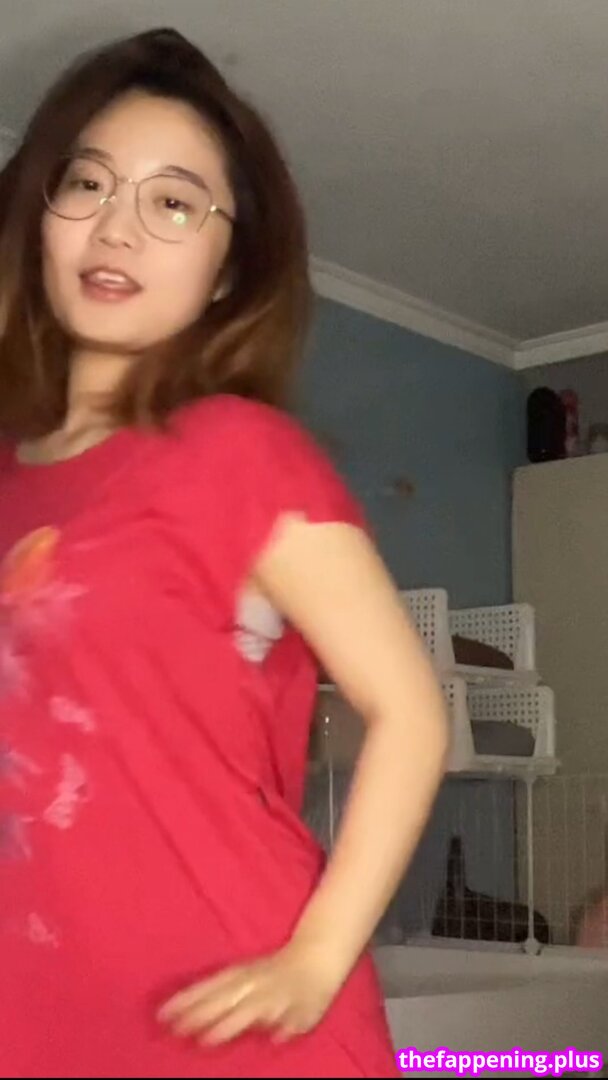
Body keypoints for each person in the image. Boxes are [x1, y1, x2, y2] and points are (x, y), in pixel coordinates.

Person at [0, 27, 448, 1079]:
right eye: (88, 183)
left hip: (232, 1019)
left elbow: (410, 713)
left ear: (223, 273)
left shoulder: (239, 455)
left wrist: (316, 959)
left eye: (172, 203)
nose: (117, 225)